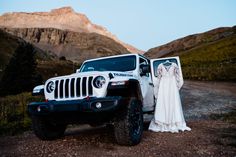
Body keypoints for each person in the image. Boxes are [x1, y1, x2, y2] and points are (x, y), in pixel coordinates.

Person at [149, 60, 191, 133]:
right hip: (165, 86)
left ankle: (171, 122)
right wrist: (177, 86)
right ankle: (165, 122)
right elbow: (177, 78)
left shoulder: (174, 65)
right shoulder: (160, 66)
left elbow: (159, 78)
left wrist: (176, 87)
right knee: (164, 102)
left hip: (170, 85)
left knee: (172, 102)